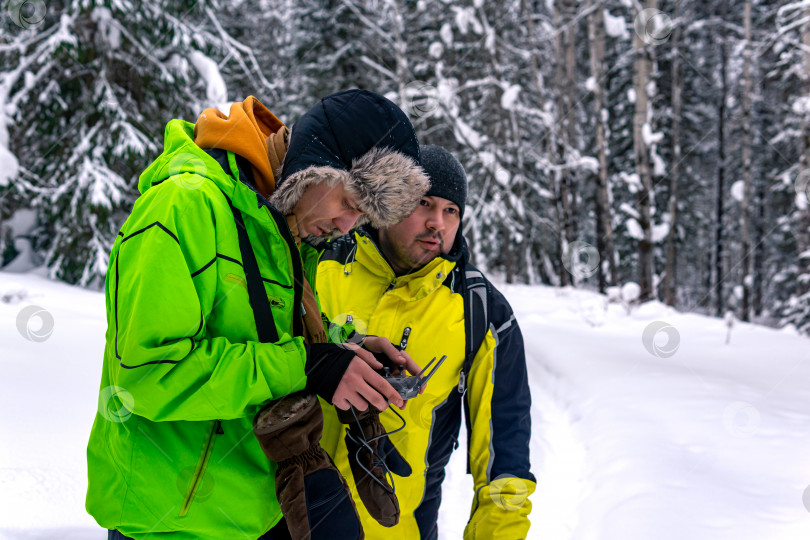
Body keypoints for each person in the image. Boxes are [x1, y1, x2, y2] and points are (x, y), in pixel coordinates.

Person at [85, 89, 429, 540]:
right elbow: (147, 375)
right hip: (172, 523)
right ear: (316, 165)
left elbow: (259, 336)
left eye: (362, 216)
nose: (347, 226)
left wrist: (342, 354)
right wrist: (306, 365)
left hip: (260, 513)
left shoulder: (281, 222)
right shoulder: (182, 207)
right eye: (349, 202)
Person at [317, 145, 536, 539]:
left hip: (398, 529)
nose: (437, 222)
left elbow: (505, 455)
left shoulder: (480, 311)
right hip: (290, 518)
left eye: (451, 211)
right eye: (424, 203)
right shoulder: (321, 267)